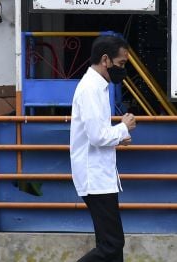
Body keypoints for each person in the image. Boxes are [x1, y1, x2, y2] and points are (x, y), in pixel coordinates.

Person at [70, 35, 136, 262]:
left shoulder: (98, 87)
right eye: (121, 64)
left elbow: (95, 135)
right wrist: (123, 127)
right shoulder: (90, 89)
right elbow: (97, 136)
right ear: (105, 60)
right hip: (95, 177)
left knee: (112, 246)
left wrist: (118, 138)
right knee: (112, 244)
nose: (122, 70)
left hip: (99, 176)